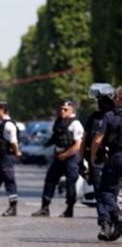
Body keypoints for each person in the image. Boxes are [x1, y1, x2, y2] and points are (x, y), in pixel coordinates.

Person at [32, 100, 84, 218]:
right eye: (61, 109)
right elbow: (55, 138)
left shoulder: (75, 124)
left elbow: (78, 145)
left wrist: (65, 155)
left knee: (71, 183)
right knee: (50, 180)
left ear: (72, 110)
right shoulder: (59, 122)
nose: (62, 111)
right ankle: (45, 208)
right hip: (59, 155)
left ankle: (69, 209)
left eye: (65, 109)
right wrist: (43, 147)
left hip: (71, 157)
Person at [79, 83, 115, 238]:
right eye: (98, 99)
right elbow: (84, 139)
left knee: (107, 193)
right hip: (98, 160)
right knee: (101, 193)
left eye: (102, 99)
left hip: (107, 159)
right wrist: (82, 161)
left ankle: (112, 219)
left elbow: (93, 140)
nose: (99, 102)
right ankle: (106, 222)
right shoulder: (93, 117)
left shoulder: (114, 116)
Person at [90, 86, 122, 241]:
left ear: (118, 99)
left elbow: (97, 140)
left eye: (115, 97)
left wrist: (93, 154)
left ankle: (117, 215)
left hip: (117, 156)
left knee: (105, 191)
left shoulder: (110, 115)